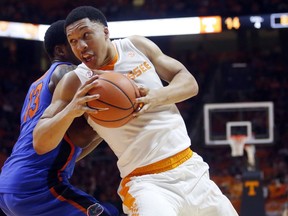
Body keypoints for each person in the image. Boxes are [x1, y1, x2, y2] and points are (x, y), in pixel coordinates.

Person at [34, 6, 239, 216]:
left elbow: (189, 83)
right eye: (73, 41)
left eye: (86, 35)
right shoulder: (75, 81)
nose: (81, 46)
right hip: (146, 183)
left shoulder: (135, 45)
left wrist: (155, 97)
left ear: (105, 32)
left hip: (192, 169)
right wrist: (71, 110)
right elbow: (40, 142)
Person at [0, 20, 119, 216]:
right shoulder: (68, 72)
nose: (82, 47)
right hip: (36, 185)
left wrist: (106, 129)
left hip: (10, 183)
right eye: (73, 42)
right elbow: (83, 134)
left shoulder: (35, 86)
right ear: (61, 50)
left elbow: (72, 149)